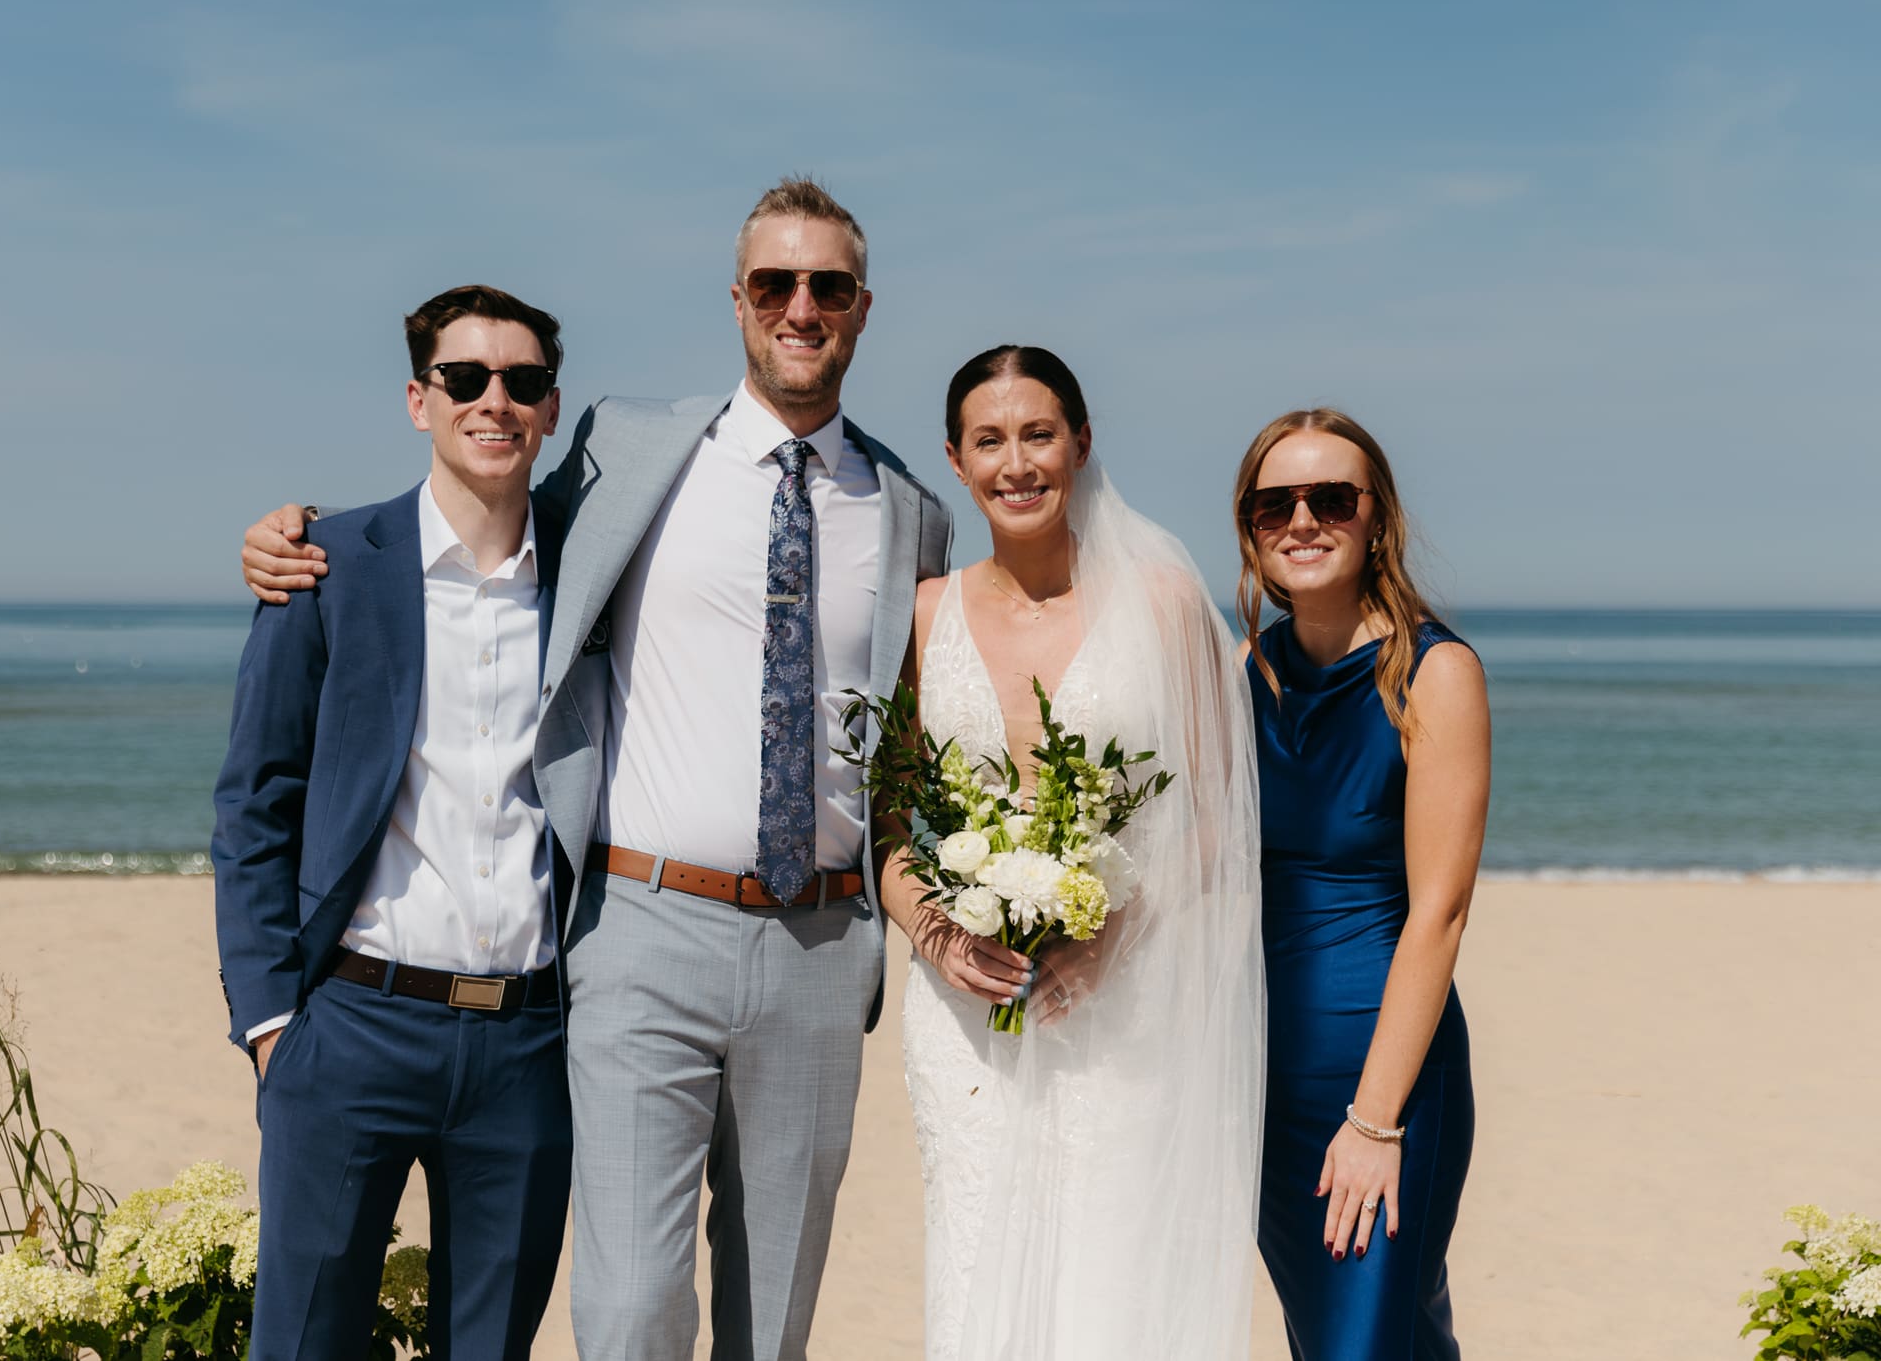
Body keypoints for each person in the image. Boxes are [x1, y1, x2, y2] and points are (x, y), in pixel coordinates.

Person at [236, 178, 952, 1361]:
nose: (800, 307)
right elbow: (471, 508)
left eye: (826, 286)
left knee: (770, 1324)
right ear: (737, 302)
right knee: (624, 1318)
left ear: (862, 308)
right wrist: (287, 538)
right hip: (639, 928)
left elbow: (909, 749)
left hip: (822, 946)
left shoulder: (912, 513)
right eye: (774, 283)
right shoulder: (627, 451)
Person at [881, 346, 1266, 1360]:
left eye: (1038, 434)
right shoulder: (924, 617)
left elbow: (1220, 810)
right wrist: (934, 937)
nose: (1017, 462)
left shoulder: (1162, 602)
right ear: (957, 463)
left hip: (1125, 1003)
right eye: (989, 440)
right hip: (965, 1015)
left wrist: (1113, 936)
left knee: (1109, 1281)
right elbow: (885, 827)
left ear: (1081, 443)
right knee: (974, 1269)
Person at [212, 285, 574, 1360]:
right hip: (352, 1028)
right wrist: (272, 1022)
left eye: (522, 382)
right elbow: (253, 802)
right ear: (420, 400)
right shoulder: (326, 569)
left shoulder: (594, 575)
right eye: (465, 379)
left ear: (551, 409)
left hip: (527, 1047)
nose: (493, 401)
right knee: (303, 1344)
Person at [1231, 409, 1489, 1360]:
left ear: (1376, 517)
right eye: (1274, 505)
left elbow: (1441, 913)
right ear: (1251, 529)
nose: (1302, 520)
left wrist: (1375, 1122)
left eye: (1331, 499)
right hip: (1261, 1079)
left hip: (1385, 1079)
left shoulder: (1436, 672)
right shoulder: (1244, 676)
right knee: (1370, 1338)